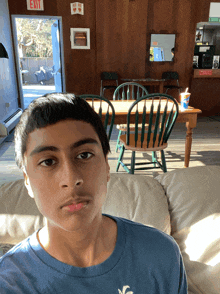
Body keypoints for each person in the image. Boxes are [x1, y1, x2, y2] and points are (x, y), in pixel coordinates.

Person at [0, 93, 187, 293]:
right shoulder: (11, 282)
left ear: (107, 166)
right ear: (27, 180)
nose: (71, 179)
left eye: (84, 155)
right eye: (48, 162)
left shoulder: (161, 253)